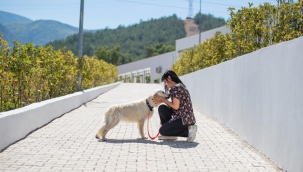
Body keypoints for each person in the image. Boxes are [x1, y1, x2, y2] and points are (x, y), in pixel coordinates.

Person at [152, 70, 197, 142]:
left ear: (169, 78)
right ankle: (169, 134)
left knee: (162, 130)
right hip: (186, 118)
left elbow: (175, 106)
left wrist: (163, 100)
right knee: (162, 108)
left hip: (183, 119)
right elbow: (173, 104)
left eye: (165, 82)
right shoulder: (180, 86)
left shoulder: (176, 88)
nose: (166, 84)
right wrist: (160, 99)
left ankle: (188, 131)